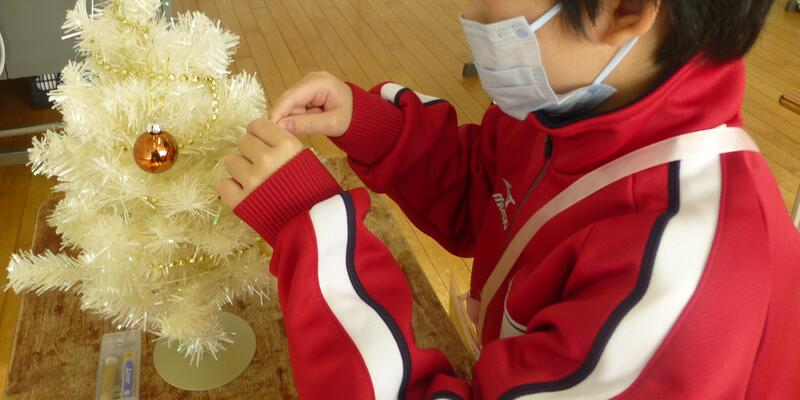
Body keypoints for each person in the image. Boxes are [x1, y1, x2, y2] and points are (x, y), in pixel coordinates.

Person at [215, 0, 800, 398]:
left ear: (624, 10)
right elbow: (488, 193)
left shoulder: (683, 280)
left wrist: (309, 229)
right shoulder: (579, 102)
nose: (469, 13)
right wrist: (376, 127)